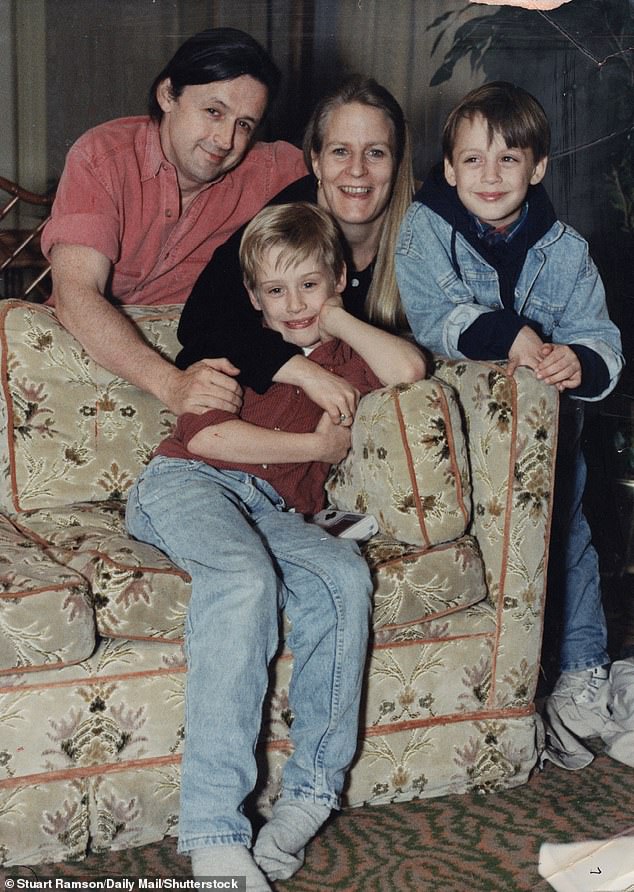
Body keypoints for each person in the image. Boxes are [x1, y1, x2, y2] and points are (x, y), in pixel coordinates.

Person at [125, 202, 427, 889]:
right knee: (244, 581)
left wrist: (338, 317)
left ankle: (309, 797)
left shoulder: (349, 353)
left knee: (344, 581)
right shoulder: (239, 347)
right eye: (274, 290)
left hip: (280, 510)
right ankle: (214, 832)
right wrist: (315, 446)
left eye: (309, 285)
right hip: (189, 483)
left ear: (338, 278)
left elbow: (408, 369)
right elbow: (206, 439)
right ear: (252, 297)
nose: (293, 305)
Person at [394, 81, 627, 771]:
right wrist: (513, 335)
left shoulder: (566, 248)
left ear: (539, 167)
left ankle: (583, 672)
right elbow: (435, 316)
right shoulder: (424, 228)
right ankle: (501, 684)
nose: (489, 176)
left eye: (508, 159)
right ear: (448, 167)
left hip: (544, 437)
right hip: (456, 431)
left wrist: (577, 362)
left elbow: (601, 337)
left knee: (570, 533)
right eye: (472, 161)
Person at [41, 27, 306, 417]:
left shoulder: (270, 170)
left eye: (245, 124)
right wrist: (171, 384)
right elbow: (76, 295)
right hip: (81, 361)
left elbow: (358, 176)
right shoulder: (102, 157)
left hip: (195, 368)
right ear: (168, 95)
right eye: (214, 111)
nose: (225, 139)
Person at [175, 75, 418, 426]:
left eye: (376, 153)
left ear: (397, 164)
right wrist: (306, 373)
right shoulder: (286, 224)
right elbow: (199, 323)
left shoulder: (423, 230)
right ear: (316, 161)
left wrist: (336, 319)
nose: (357, 170)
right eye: (340, 151)